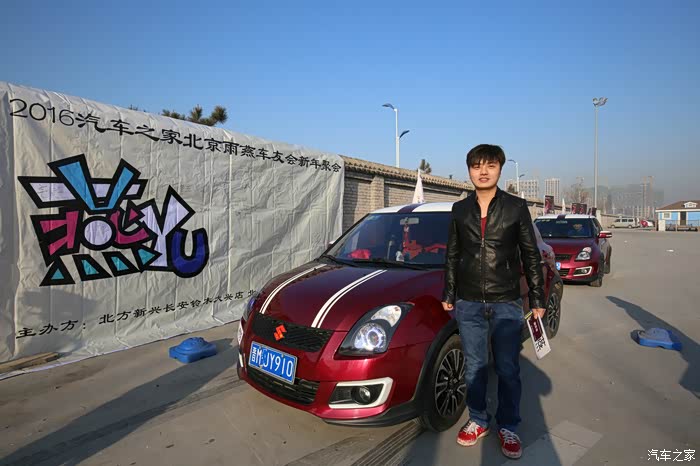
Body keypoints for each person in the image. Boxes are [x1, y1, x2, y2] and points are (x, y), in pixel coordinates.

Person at [441, 144, 546, 460]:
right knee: (474, 367)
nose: (483, 171)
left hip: (506, 301)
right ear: (469, 170)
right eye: (477, 166)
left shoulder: (516, 207)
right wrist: (449, 293)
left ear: (500, 168)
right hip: (469, 301)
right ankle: (478, 419)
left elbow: (530, 254)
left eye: (490, 165)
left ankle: (509, 425)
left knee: (507, 367)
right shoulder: (460, 210)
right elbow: (452, 254)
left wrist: (537, 297)